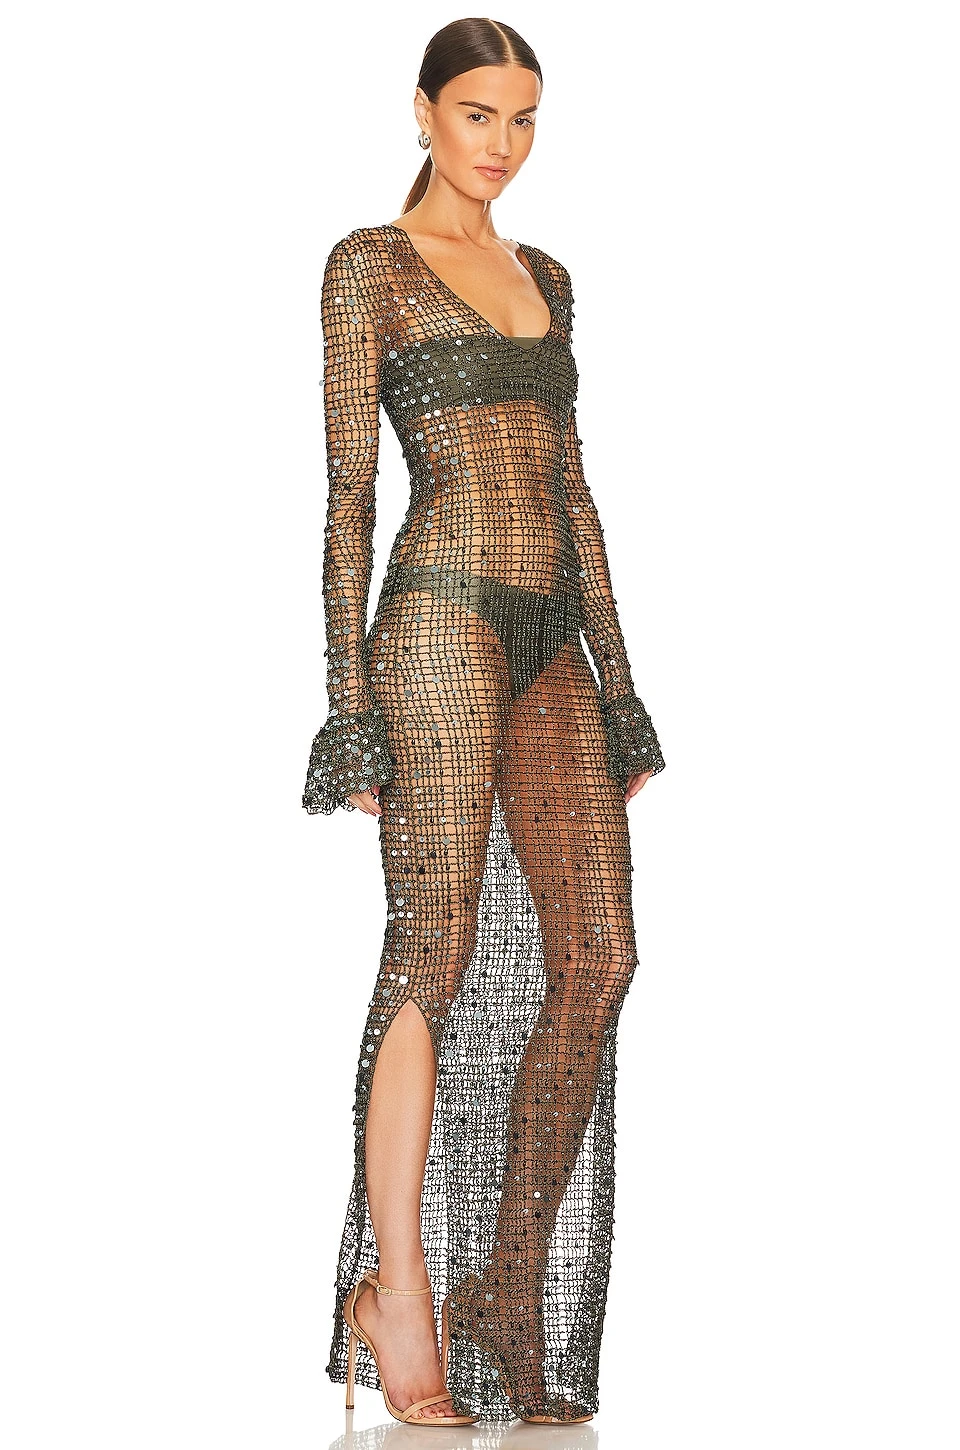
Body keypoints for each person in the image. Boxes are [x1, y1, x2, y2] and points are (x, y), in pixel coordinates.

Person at [302, 16, 666, 1426]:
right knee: (434, 949)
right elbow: (348, 493)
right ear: (422, 112)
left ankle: (505, 1284)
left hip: (551, 634)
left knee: (600, 956)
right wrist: (348, 705)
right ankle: (396, 1286)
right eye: (476, 115)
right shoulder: (370, 267)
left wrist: (621, 686)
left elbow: (575, 493)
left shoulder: (547, 278)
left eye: (523, 119)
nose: (502, 145)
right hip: (440, 618)